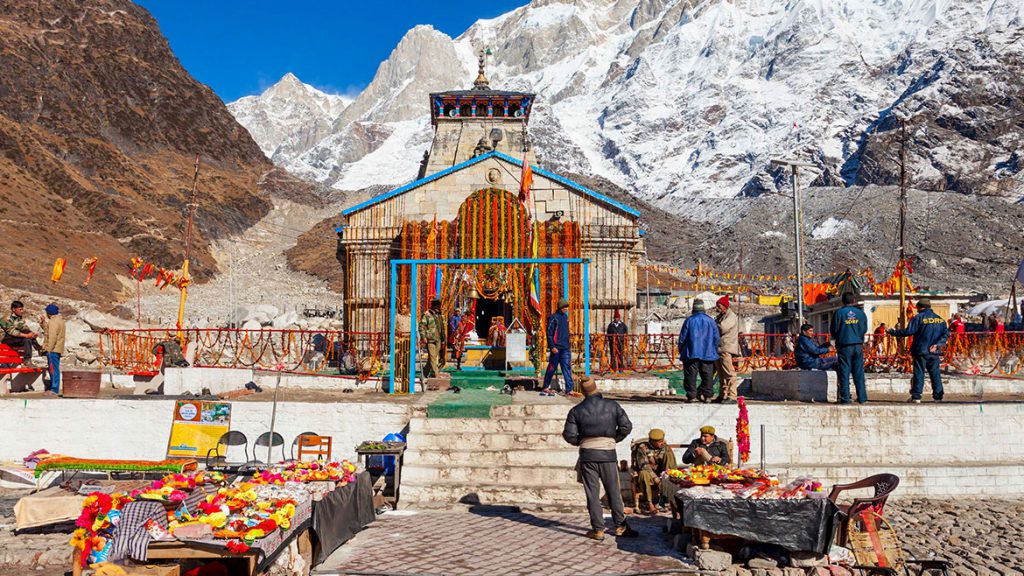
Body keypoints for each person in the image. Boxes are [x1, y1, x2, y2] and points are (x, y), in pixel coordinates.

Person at [562, 378, 637, 540]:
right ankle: (620, 526)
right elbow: (626, 427)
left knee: (592, 494)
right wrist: (613, 439)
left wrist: (583, 442)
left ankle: (598, 530)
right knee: (614, 492)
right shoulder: (612, 406)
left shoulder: (576, 410)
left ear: (582, 392)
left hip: (588, 455)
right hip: (608, 453)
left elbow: (569, 435)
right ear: (596, 388)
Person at [888, 298, 949, 403]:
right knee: (935, 374)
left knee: (919, 373)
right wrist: (937, 345)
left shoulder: (918, 318)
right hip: (934, 352)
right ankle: (938, 397)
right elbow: (946, 335)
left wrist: (892, 332)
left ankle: (916, 396)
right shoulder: (940, 319)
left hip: (921, 350)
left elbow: (909, 331)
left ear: (920, 307)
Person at [677, 300, 720, 403]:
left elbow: (683, 338)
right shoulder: (710, 321)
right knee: (707, 375)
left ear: (694, 308)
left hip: (691, 352)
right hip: (708, 353)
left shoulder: (689, 320)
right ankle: (707, 396)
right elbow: (716, 338)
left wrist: (681, 349)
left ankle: (692, 396)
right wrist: (713, 349)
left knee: (691, 375)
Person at [829, 292, 868, 404]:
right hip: (857, 345)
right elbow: (864, 328)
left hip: (844, 345)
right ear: (853, 300)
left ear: (843, 301)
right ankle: (862, 397)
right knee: (859, 372)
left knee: (844, 372)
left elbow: (834, 330)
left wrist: (839, 337)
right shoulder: (860, 313)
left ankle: (845, 398)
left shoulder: (839, 313)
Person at [630, 428, 677, 514]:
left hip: (662, 473)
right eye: (659, 441)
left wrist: (665, 476)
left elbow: (671, 464)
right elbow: (643, 465)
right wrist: (655, 478)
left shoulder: (665, 447)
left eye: (662, 440)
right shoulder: (642, 448)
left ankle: (668, 499)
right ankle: (649, 503)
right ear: (652, 441)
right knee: (643, 474)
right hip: (648, 473)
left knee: (669, 454)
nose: (662, 443)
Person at [543, 298, 576, 396]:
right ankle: (545, 386)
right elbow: (549, 333)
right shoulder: (553, 318)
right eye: (565, 307)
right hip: (556, 348)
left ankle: (569, 389)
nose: (566, 309)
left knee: (566, 368)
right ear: (561, 307)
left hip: (565, 347)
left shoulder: (565, 317)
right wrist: (552, 346)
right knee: (552, 368)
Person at [713, 296, 739, 403]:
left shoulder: (731, 317)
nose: (717, 308)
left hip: (726, 347)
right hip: (719, 348)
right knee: (721, 373)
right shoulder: (722, 316)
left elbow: (723, 328)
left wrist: (714, 325)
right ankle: (722, 394)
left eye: (719, 306)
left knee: (729, 373)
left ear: (724, 306)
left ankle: (732, 395)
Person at [2, 300, 40, 365]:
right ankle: (39, 350)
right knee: (27, 337)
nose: (22, 311)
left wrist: (32, 334)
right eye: (20, 309)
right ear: (13, 309)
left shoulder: (19, 318)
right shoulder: (6, 318)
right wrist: (26, 335)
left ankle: (28, 359)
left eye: (22, 309)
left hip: (15, 338)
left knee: (27, 338)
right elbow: (11, 331)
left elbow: (25, 328)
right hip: (6, 339)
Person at [418, 298, 447, 378]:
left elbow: (442, 328)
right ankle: (436, 373)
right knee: (432, 357)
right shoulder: (427, 314)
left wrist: (443, 339)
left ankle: (424, 373)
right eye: (437, 306)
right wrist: (423, 337)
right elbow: (421, 326)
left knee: (432, 357)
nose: (439, 308)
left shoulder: (440, 315)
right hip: (430, 339)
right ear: (434, 306)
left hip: (438, 339)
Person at [41, 304, 65, 396]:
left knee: (53, 370)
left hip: (53, 350)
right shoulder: (59, 321)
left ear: (48, 313)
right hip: (58, 349)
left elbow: (52, 337)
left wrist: (49, 349)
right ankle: (53, 388)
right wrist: (42, 323)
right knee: (54, 369)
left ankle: (54, 389)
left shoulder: (53, 322)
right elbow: (48, 330)